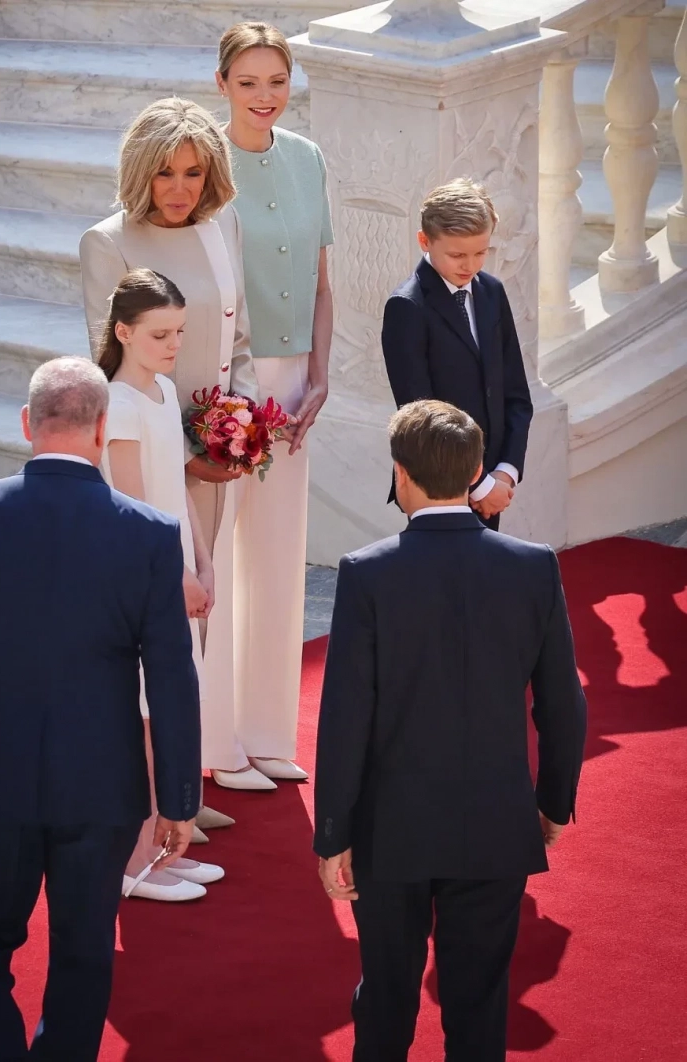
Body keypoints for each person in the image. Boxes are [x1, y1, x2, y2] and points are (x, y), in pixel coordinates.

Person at [0, 357, 201, 1062]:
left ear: (28, 423)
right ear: (102, 429)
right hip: (102, 788)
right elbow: (172, 678)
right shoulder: (150, 534)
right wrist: (178, 797)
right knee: (84, 954)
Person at [314, 399, 587, 1061]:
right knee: (478, 1008)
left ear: (400, 474)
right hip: (496, 824)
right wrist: (553, 804)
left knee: (386, 1002)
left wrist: (333, 835)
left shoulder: (367, 573)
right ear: (473, 475)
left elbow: (345, 717)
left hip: (390, 830)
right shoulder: (533, 566)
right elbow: (563, 705)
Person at [79, 97, 272, 802]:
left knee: (201, 613)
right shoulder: (107, 242)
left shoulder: (224, 227)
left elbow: (239, 340)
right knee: (156, 624)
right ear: (140, 172)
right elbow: (105, 359)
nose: (181, 188)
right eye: (165, 173)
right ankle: (159, 795)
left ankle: (191, 774)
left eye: (194, 172)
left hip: (217, 456)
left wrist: (241, 430)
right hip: (151, 449)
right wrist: (187, 454)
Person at [213, 21, 334, 789]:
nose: (266, 97)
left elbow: (321, 282)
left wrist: (320, 374)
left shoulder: (308, 158)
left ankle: (266, 732)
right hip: (227, 379)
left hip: (294, 387)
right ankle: (217, 743)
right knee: (222, 556)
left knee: (280, 554)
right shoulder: (202, 161)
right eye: (249, 82)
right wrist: (233, 387)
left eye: (278, 82)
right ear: (221, 83)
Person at [99, 268, 225, 901]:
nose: (174, 344)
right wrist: (175, 575)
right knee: (144, 724)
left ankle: (158, 851)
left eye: (179, 331)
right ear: (123, 332)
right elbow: (132, 505)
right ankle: (132, 863)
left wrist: (203, 560)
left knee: (164, 719)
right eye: (160, 334)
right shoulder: (117, 402)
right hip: (141, 581)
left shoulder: (166, 390)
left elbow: (177, 489)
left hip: (174, 571)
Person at [381, 178, 533, 529]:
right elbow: (420, 415)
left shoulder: (492, 292)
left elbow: (515, 393)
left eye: (481, 253)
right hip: (436, 483)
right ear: (424, 241)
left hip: (495, 479)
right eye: (457, 255)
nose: (470, 266)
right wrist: (480, 485)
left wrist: (506, 472)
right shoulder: (407, 306)